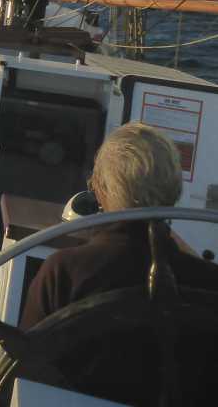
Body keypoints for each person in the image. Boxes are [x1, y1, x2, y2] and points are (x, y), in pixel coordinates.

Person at [19, 121, 218, 404]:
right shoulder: (211, 283)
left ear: (99, 189)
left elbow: (24, 376)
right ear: (175, 192)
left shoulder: (63, 272)